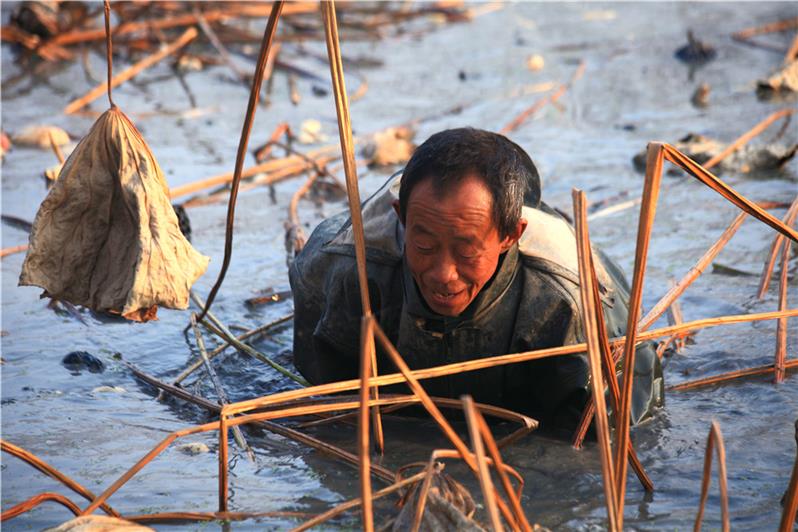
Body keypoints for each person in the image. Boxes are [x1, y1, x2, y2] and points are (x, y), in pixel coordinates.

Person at [289, 128, 663, 430]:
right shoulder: (352, 265)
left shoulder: (564, 299)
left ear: (510, 236)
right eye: (424, 245)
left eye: (466, 253)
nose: (443, 275)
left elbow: (601, 435)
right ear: (402, 218)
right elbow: (327, 395)